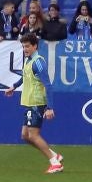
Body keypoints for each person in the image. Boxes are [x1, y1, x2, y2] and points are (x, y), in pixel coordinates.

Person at [13, 31, 64, 174]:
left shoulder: (38, 62)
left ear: (35, 46)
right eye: (23, 47)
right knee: (25, 136)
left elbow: (48, 85)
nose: (25, 49)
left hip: (36, 103)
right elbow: (25, 76)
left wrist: (50, 107)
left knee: (33, 135)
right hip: (29, 103)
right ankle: (55, 155)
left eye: (27, 46)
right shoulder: (28, 61)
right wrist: (14, 86)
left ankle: (55, 163)